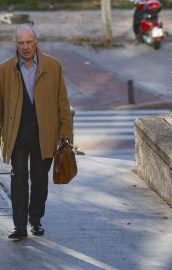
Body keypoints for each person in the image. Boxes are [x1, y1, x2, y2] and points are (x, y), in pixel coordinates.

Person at [0, 24, 72, 239]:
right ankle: (19, 225)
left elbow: (62, 102)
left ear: (36, 42)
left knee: (40, 180)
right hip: (17, 134)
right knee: (18, 177)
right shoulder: (4, 70)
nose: (25, 47)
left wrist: (64, 133)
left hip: (44, 133)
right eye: (20, 43)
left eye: (29, 42)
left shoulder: (53, 65)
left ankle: (36, 220)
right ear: (15, 44)